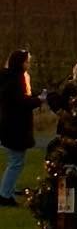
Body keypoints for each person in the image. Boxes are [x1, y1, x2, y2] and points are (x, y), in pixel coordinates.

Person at [0, 48, 45, 206]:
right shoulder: (15, 80)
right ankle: (5, 194)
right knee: (16, 162)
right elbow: (20, 102)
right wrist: (38, 100)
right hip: (15, 127)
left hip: (12, 126)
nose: (28, 64)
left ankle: (7, 191)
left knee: (15, 160)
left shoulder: (9, 78)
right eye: (26, 61)